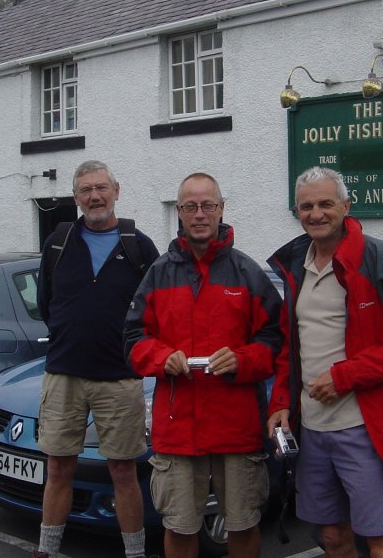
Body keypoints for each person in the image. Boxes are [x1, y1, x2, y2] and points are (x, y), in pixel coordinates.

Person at [266, 166, 383, 558]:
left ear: (346, 206)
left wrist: (346, 375)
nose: (316, 213)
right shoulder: (296, 265)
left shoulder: (378, 258)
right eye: (307, 205)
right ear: (297, 211)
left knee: (382, 542)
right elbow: (288, 348)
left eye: (326, 203)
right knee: (331, 538)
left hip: (366, 428)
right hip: (312, 430)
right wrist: (280, 402)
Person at [124, 172, 282, 558]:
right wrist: (163, 358)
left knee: (243, 525)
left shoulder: (247, 273)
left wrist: (242, 359)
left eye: (207, 205)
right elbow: (132, 341)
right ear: (179, 212)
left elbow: (274, 342)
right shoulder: (159, 273)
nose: (199, 214)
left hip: (237, 425)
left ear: (221, 209)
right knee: (179, 528)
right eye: (190, 207)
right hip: (179, 427)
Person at [33, 160, 160, 558]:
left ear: (116, 190)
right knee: (58, 469)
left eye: (101, 188)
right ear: (75, 198)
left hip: (120, 378)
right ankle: (47, 549)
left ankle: (135, 554)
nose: (94, 196)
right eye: (86, 190)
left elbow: (154, 312)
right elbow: (46, 302)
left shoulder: (138, 245)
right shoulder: (58, 241)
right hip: (64, 374)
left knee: (123, 471)